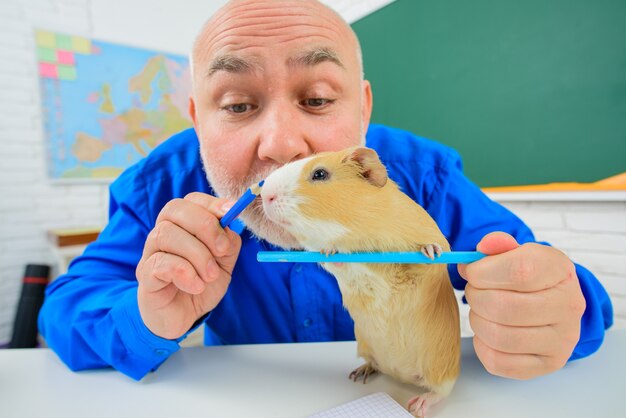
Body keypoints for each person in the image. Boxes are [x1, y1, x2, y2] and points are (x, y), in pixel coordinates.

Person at [39, 0, 612, 381]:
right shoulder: (159, 186)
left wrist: (547, 307)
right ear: (197, 120)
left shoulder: (421, 174)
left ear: (362, 109)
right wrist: (145, 316)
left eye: (316, 100)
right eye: (237, 105)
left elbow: (546, 278)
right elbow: (65, 310)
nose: (283, 146)